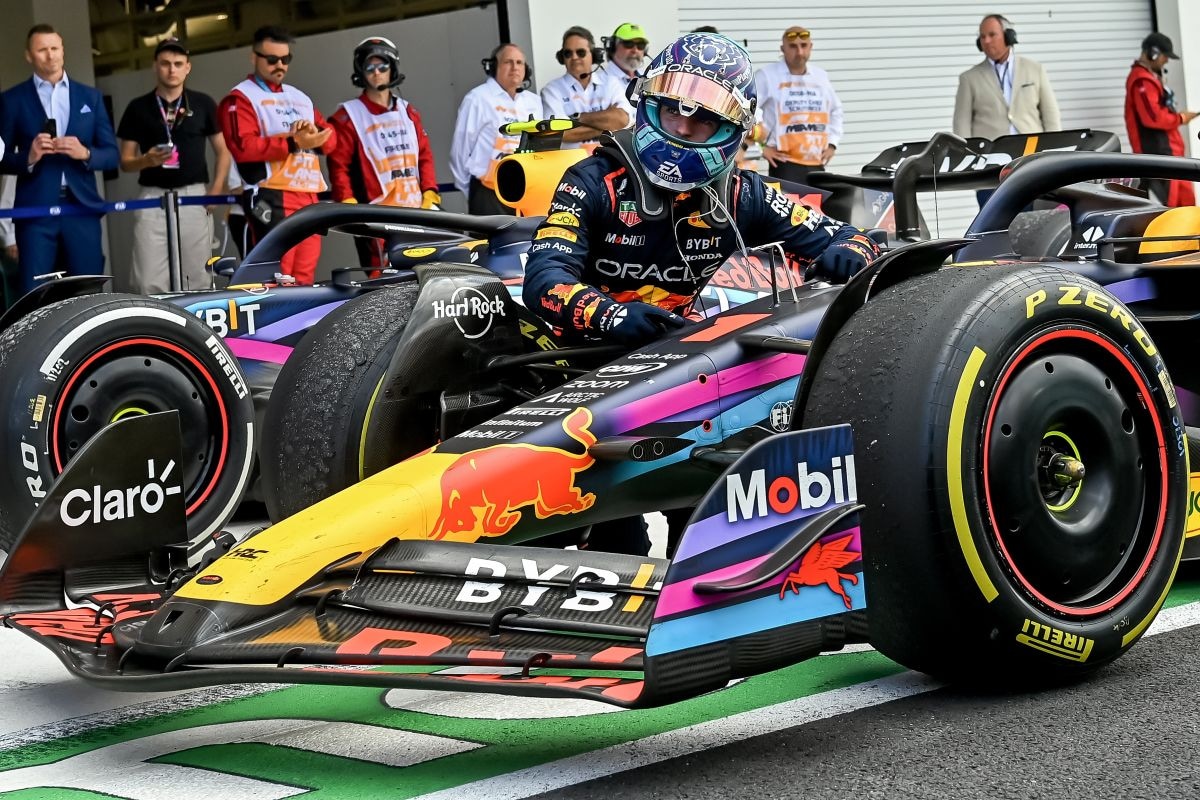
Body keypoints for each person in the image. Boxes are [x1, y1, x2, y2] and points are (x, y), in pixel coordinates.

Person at [522, 32, 879, 555]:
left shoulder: (741, 193)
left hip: (675, 376)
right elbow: (544, 280)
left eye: (702, 121)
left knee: (702, 503)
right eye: (672, 113)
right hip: (577, 372)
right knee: (610, 536)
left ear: (730, 132)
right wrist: (613, 317)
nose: (683, 129)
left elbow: (857, 240)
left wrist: (849, 255)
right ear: (649, 105)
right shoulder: (594, 179)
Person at [0, 24, 119, 295]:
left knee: (89, 290)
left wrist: (85, 153)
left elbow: (112, 155)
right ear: (29, 56)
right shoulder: (12, 100)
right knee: (34, 294)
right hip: (35, 211)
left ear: (63, 51)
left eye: (54, 48)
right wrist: (28, 157)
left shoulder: (91, 96)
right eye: (42, 50)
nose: (50, 55)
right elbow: (1, 158)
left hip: (82, 207)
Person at [218, 25, 337, 285]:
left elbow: (330, 141)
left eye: (286, 59)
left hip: (308, 194)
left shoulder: (300, 98)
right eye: (272, 60)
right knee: (274, 279)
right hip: (272, 194)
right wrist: (294, 142)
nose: (279, 65)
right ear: (254, 57)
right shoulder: (240, 98)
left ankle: (302, 327)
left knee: (304, 278)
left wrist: (314, 132)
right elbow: (243, 148)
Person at [117, 38, 230, 294]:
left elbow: (223, 151)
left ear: (188, 67)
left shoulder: (202, 103)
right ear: (155, 66)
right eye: (165, 63)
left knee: (196, 276)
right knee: (147, 279)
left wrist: (216, 189)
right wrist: (146, 160)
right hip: (152, 197)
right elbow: (125, 162)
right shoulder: (138, 107)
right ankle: (154, 332)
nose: (172, 69)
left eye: (178, 64)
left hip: (192, 195)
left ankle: (194, 332)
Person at [328, 36, 440, 268]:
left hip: (417, 212)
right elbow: (338, 166)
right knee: (382, 279)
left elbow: (424, 156)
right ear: (361, 72)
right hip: (376, 217)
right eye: (370, 67)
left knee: (424, 271)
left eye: (383, 66)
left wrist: (430, 191)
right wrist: (349, 205)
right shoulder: (348, 116)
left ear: (393, 68)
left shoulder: (409, 111)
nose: (377, 72)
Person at [953, 14, 1060, 206]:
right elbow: (961, 127)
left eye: (992, 34)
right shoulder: (969, 78)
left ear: (1008, 36)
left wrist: (1053, 156)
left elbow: (1051, 115)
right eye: (982, 36)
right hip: (991, 172)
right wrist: (972, 168)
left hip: (1033, 163)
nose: (986, 40)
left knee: (1037, 224)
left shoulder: (1035, 70)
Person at [449, 43, 543, 216]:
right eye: (508, 62)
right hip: (488, 193)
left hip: (527, 193)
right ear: (494, 66)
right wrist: (471, 191)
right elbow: (460, 151)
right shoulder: (477, 98)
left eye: (519, 63)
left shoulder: (534, 102)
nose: (515, 67)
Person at [752, 25, 844, 184]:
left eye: (804, 45)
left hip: (816, 162)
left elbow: (836, 110)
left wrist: (832, 144)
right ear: (783, 49)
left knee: (816, 208)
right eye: (793, 46)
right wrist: (760, 148)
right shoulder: (767, 75)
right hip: (785, 164)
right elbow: (748, 109)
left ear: (811, 47)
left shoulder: (820, 76)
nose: (799, 52)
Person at [1125, 32, 1197, 208]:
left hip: (1171, 154)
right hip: (1159, 156)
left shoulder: (1150, 77)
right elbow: (1153, 118)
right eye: (1165, 56)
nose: (1166, 61)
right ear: (1153, 53)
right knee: (1173, 209)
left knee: (1187, 204)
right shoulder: (1142, 81)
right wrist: (1180, 118)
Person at [540, 26, 632, 149]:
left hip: (611, 161)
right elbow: (560, 134)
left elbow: (622, 120)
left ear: (593, 55)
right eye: (568, 53)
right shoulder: (551, 91)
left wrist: (577, 118)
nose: (574, 57)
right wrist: (607, 127)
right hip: (572, 165)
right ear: (562, 57)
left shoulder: (611, 83)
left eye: (580, 52)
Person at [600, 23, 650, 91]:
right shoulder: (599, 82)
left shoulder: (650, 78)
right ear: (613, 47)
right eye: (628, 44)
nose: (635, 50)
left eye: (640, 45)